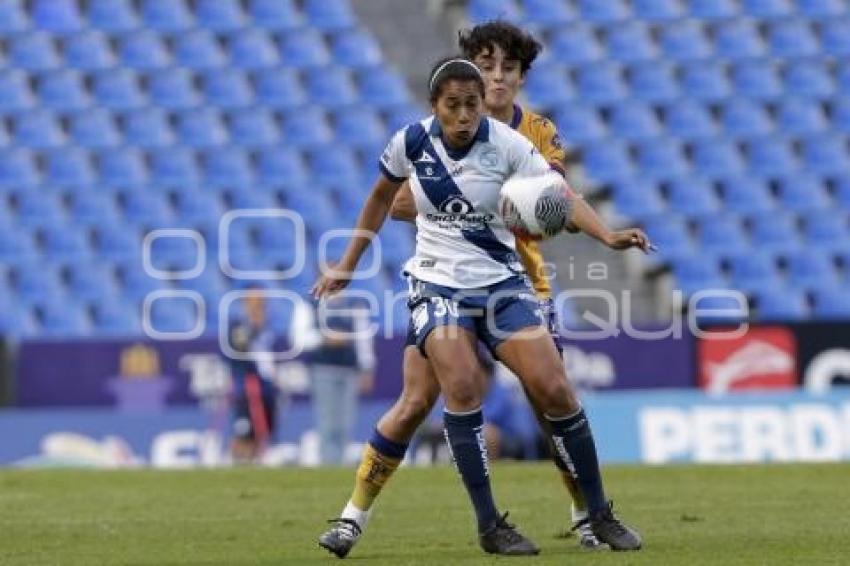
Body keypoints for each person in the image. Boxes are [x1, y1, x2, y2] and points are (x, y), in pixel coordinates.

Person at [318, 22, 643, 557]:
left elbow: (558, 194)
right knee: (451, 389)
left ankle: (595, 513)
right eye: (455, 104)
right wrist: (349, 262)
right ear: (436, 103)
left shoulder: (517, 141)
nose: (467, 113)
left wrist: (599, 231)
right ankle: (477, 523)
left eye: (474, 102)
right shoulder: (411, 141)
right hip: (438, 287)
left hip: (505, 285)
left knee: (555, 391)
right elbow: (385, 199)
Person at [291, 292, 375, 465]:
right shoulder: (309, 305)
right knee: (327, 422)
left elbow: (363, 339)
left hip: (348, 370)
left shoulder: (355, 304)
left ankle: (340, 463)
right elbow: (299, 338)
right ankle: (328, 462)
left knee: (345, 422)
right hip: (323, 369)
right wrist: (324, 339)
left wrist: (367, 367)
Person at [227, 286, 278, 464]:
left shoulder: (270, 325)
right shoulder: (238, 325)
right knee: (244, 430)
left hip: (267, 386)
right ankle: (237, 462)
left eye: (261, 301)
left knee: (262, 430)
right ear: (245, 303)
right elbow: (238, 348)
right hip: (247, 384)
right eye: (254, 301)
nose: (258, 305)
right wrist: (253, 328)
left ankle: (253, 463)